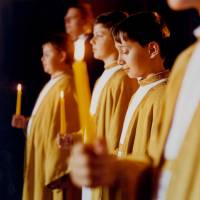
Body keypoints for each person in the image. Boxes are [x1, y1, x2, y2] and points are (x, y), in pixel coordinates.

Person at [70, 1, 200, 199]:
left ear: (152, 49)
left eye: (126, 51)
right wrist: (113, 169)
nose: (120, 59)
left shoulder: (160, 93)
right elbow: (162, 166)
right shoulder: (187, 62)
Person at [11, 34, 80, 200]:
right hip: (40, 160)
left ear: (62, 56)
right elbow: (47, 124)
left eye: (47, 54)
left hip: (53, 170)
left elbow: (69, 127)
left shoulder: (68, 86)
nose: (42, 58)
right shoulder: (53, 83)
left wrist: (61, 169)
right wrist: (27, 123)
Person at [64, 2, 104, 90]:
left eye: (73, 17)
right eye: (66, 18)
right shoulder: (64, 49)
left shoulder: (94, 44)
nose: (67, 21)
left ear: (85, 19)